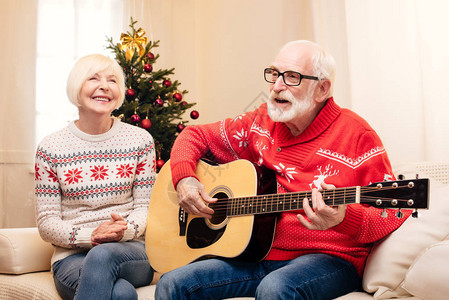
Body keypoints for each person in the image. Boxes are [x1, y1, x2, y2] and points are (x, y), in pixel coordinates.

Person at [155, 40, 410, 300]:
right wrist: (185, 177)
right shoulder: (260, 122)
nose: (276, 87)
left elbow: (392, 212)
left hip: (330, 259)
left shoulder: (356, 135)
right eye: (274, 74)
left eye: (292, 78)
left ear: (322, 89)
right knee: (173, 283)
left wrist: (344, 219)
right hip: (256, 253)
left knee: (275, 288)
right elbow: (194, 135)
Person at [34, 54, 156, 300]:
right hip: (72, 256)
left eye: (112, 80)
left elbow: (145, 207)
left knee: (103, 255)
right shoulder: (50, 147)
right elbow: (47, 223)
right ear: (76, 87)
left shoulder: (140, 141)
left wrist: (124, 231)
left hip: (131, 250)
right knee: (121, 294)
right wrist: (91, 236)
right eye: (93, 78)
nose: (104, 86)